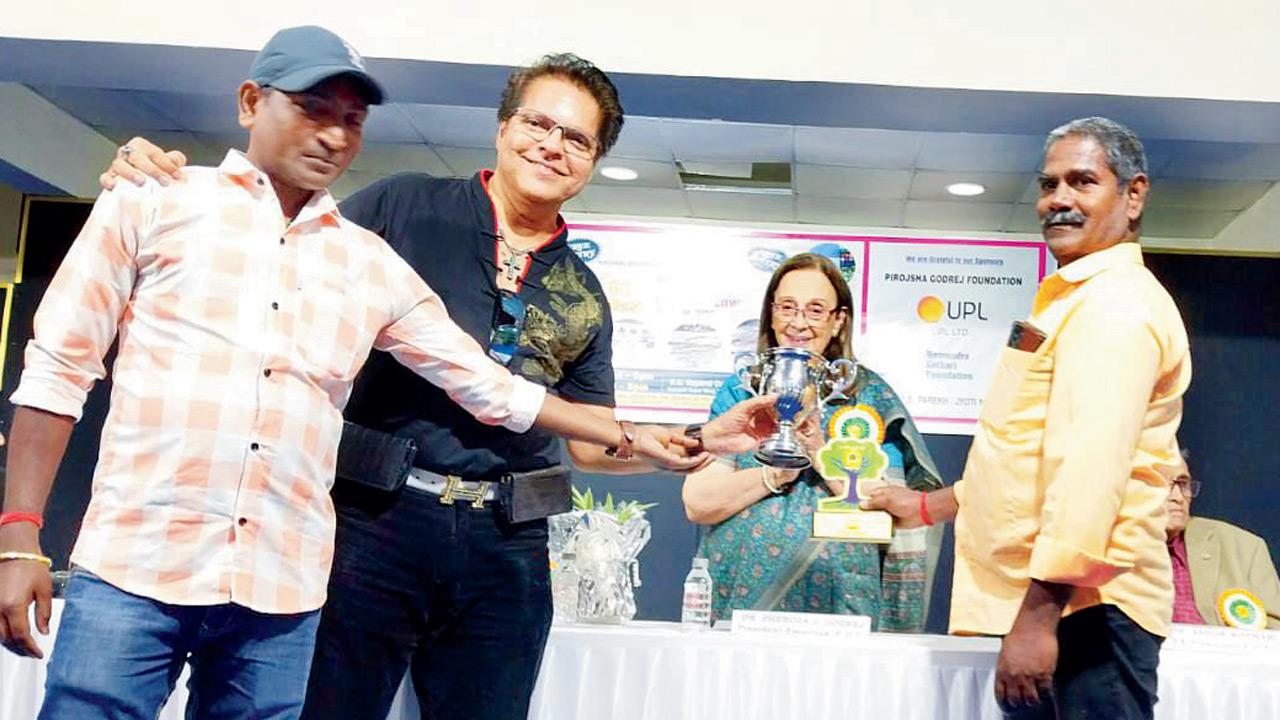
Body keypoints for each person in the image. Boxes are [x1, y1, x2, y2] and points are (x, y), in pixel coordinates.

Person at [1, 31, 772, 719]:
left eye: (576, 138)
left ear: (596, 161)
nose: (551, 145)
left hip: (462, 549)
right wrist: (19, 537)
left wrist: (693, 438)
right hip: (354, 528)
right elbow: (62, 365)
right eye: (538, 123)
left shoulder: (547, 287)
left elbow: (503, 394)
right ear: (504, 128)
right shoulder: (389, 211)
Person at [863, 117, 1191, 719]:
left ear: (1134, 193)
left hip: (1088, 613)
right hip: (1067, 607)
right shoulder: (1076, 299)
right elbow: (1026, 460)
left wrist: (1040, 619)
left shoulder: (1114, 306)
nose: (1058, 200)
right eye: (1049, 184)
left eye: (1082, 182)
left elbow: (1091, 474)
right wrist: (928, 506)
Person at [682, 253, 943, 630]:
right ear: (771, 314)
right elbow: (698, 502)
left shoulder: (868, 398)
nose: (798, 322)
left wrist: (820, 453)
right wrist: (773, 475)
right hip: (741, 604)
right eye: (787, 307)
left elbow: (890, 505)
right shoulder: (740, 393)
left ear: (839, 321)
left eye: (815, 310)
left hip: (843, 605)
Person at [1164, 449, 1280, 628]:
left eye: (1183, 484)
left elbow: (1275, 631)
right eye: (1164, 485)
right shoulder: (1110, 549)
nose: (1178, 497)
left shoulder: (1245, 548)